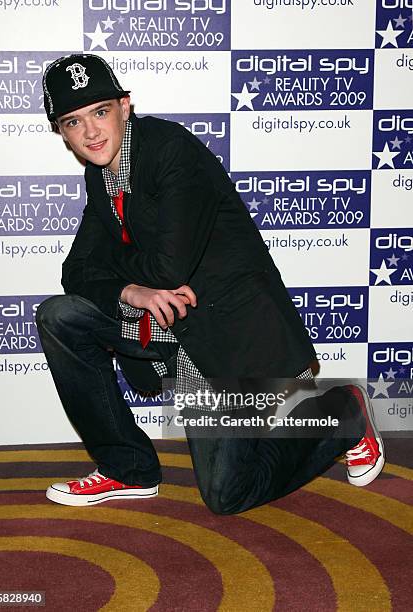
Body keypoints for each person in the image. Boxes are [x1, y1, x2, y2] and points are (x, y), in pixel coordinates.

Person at [36, 53, 384, 513]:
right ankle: (127, 469)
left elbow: (167, 269)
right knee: (60, 315)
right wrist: (129, 291)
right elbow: (75, 271)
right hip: (167, 327)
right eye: (73, 121)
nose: (91, 132)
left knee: (227, 493)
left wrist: (122, 271)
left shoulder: (172, 151)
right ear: (62, 132)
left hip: (232, 334)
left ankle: (344, 413)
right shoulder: (101, 176)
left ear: (125, 105)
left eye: (100, 112)